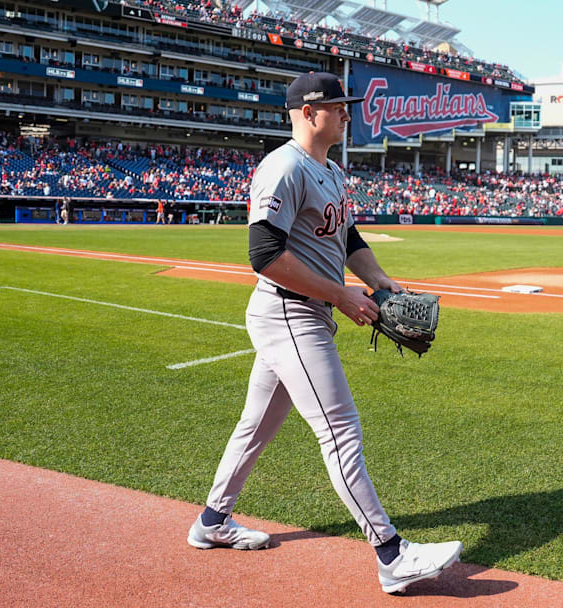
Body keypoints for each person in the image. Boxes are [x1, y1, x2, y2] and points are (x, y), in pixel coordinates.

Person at [187, 71, 463, 594]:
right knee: (341, 432)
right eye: (338, 106)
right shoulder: (283, 168)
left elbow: (348, 236)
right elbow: (263, 256)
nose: (347, 113)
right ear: (310, 113)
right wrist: (341, 295)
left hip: (305, 314)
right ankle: (391, 554)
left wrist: (377, 280)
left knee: (255, 428)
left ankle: (211, 522)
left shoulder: (331, 170)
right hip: (288, 313)